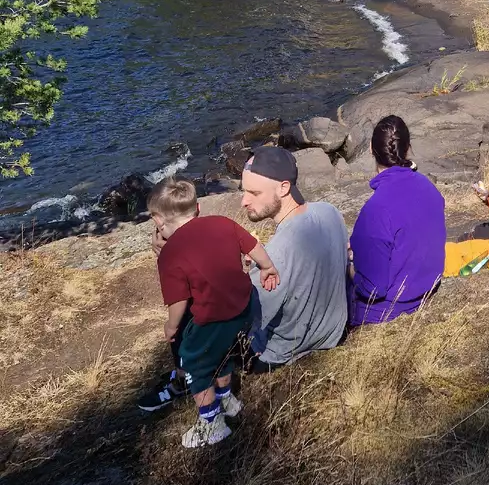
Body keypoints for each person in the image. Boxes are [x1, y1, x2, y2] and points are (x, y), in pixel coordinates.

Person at [144, 178, 280, 448]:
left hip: (211, 318)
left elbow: (179, 300)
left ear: (158, 220)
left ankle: (212, 424)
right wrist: (267, 267)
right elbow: (252, 245)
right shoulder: (222, 223)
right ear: (197, 208)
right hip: (242, 307)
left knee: (196, 365)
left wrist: (172, 326)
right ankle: (228, 400)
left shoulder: (171, 252)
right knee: (223, 353)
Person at [239, 146, 350, 371]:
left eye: (254, 193)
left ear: (283, 188)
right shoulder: (329, 211)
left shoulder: (275, 254)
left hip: (284, 351)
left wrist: (245, 272)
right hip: (333, 331)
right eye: (244, 191)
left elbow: (248, 314)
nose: (244, 201)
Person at [349, 115, 446, 326]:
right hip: (427, 289)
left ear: (371, 150)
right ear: (408, 148)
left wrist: (349, 269)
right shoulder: (429, 188)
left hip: (387, 310)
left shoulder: (375, 210)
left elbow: (373, 289)